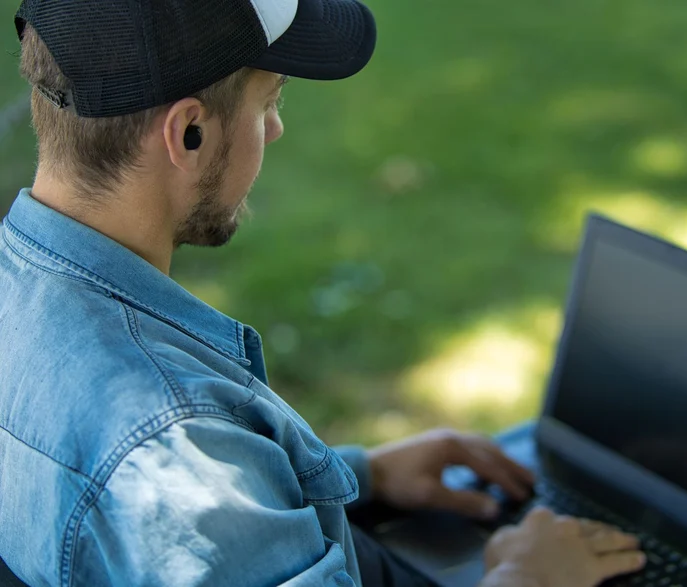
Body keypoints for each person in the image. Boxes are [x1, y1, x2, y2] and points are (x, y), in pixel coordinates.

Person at [0, 0, 647, 585]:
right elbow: (170, 479)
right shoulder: (172, 437)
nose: (275, 130)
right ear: (188, 133)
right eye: (269, 101)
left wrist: (359, 478)